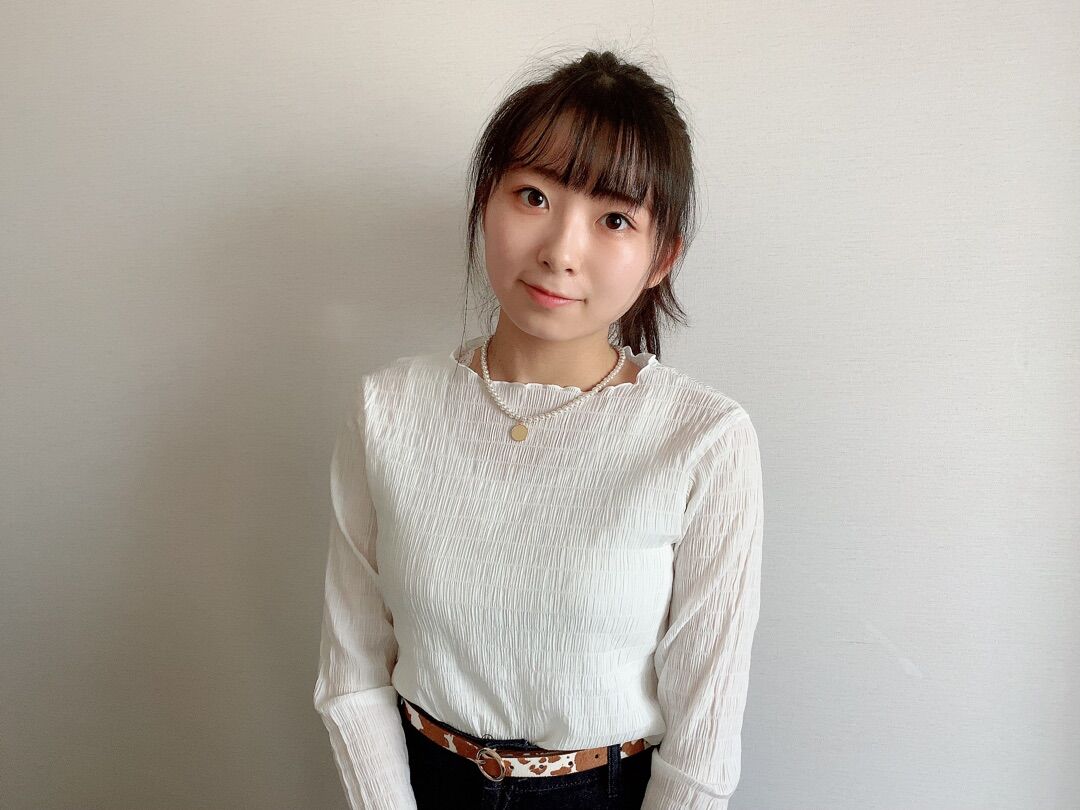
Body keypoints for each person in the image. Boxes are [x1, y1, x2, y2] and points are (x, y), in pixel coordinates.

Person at [313, 48, 765, 810]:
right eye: (533, 196)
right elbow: (352, 676)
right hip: (420, 784)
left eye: (614, 219)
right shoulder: (387, 410)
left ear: (662, 258)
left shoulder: (704, 440)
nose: (560, 251)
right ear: (485, 201)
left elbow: (704, 739)